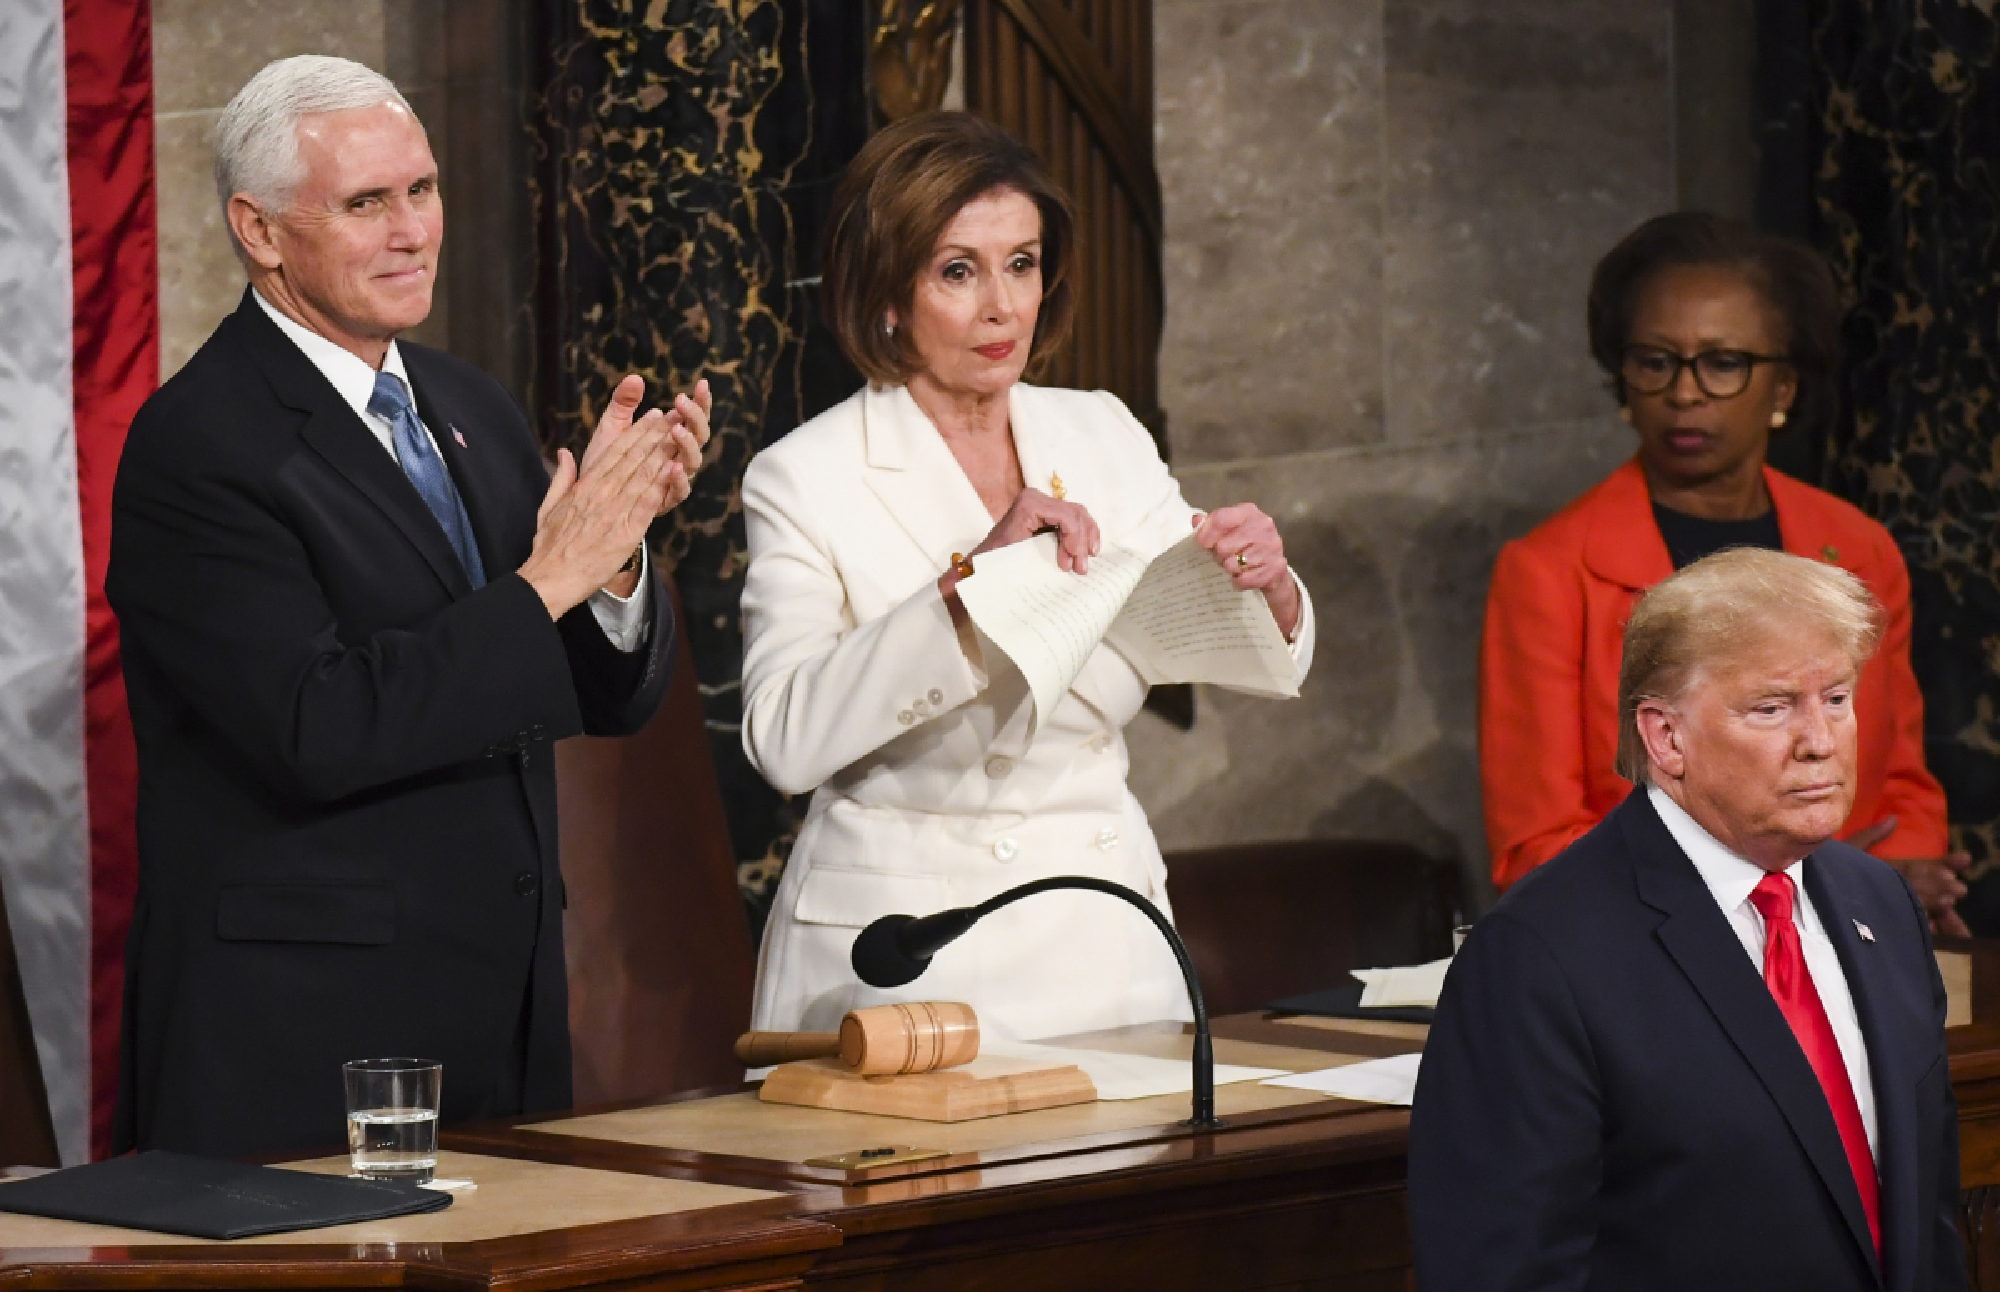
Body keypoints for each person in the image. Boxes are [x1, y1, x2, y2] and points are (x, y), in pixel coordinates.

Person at [108, 56, 709, 1157]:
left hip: (500, 1034)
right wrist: (548, 579)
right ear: (259, 229)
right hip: (302, 1053)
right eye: (365, 203)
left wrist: (615, 565)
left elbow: (593, 693)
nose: (411, 231)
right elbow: (318, 726)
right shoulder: (197, 446)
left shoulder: (465, 400)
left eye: (422, 191)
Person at [738, 112, 1315, 1040]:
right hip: (909, 961)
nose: (1003, 307)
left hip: (1104, 935)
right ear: (888, 293)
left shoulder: (1102, 432)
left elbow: (1198, 617)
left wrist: (1268, 587)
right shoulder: (806, 474)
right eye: (958, 271)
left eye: (1023, 263)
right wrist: (968, 592)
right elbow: (783, 738)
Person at [1413, 548, 1964, 1291]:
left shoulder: (1881, 903)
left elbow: (1928, 1221)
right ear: (1665, 738)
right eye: (1771, 708)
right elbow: (1506, 1269)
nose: (1820, 741)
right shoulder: (1538, 958)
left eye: (1835, 698)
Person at [1480, 211, 1966, 932]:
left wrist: (1883, 891)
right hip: (1651, 951)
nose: (1685, 392)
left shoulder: (1856, 548)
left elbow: (1902, 788)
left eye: (1722, 363)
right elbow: (1535, 847)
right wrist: (1783, 893)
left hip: (1856, 943)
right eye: (1655, 361)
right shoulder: (1550, 573)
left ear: (1783, 389)